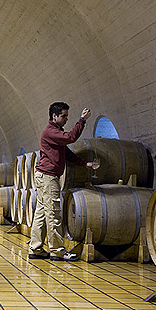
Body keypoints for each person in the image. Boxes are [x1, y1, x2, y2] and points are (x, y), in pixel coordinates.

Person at [28, 102, 94, 261]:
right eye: (63, 116)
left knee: (42, 214)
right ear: (54, 116)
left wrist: (84, 164)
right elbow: (71, 137)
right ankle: (57, 251)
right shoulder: (50, 131)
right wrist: (82, 120)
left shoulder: (55, 133)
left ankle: (35, 248)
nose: (66, 119)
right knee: (53, 214)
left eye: (66, 116)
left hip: (45, 176)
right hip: (48, 177)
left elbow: (67, 154)